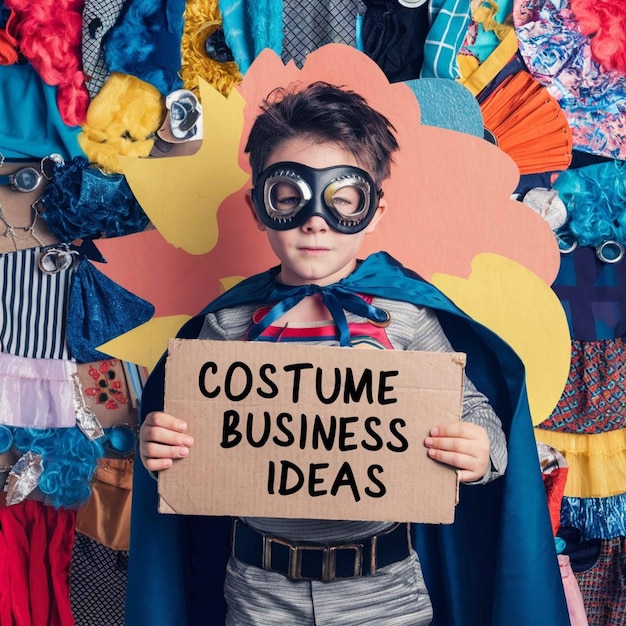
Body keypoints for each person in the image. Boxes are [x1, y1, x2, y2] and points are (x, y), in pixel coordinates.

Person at [129, 82, 570, 626]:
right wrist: (160, 441)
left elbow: (481, 415)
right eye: (289, 198)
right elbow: (184, 435)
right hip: (259, 592)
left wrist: (480, 452)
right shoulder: (227, 326)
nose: (315, 220)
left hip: (386, 593)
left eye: (342, 199)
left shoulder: (405, 318)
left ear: (374, 208)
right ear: (259, 206)